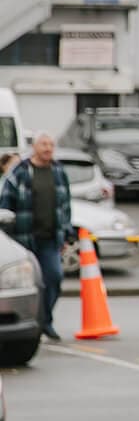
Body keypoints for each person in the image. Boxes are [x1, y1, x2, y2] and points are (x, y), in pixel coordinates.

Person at [0, 133, 73, 341]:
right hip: (25, 240)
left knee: (54, 277)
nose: (48, 148)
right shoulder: (21, 172)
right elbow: (6, 203)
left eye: (51, 144)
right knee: (29, 284)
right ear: (34, 147)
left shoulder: (58, 171)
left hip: (50, 239)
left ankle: (45, 320)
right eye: (44, 144)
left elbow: (65, 205)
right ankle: (33, 321)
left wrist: (67, 232)